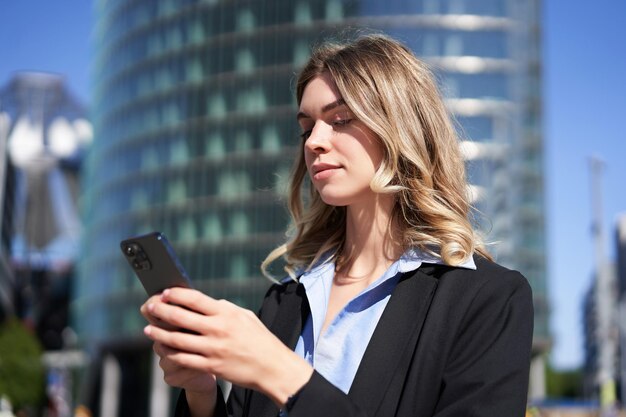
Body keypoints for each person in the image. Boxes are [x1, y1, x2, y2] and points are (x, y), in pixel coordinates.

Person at [141, 34, 534, 417]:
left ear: (401, 127)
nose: (314, 141)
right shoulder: (284, 303)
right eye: (306, 126)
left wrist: (281, 373)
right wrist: (202, 396)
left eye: (341, 119)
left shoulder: (485, 299)